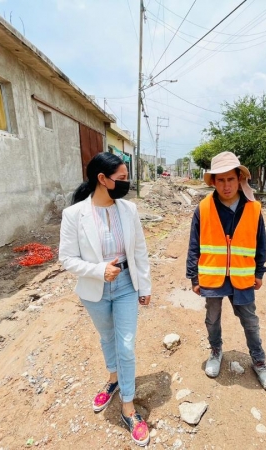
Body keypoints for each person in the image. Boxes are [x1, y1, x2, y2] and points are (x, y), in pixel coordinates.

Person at [59, 153, 151, 447]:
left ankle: (128, 406)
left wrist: (145, 286)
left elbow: (139, 251)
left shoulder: (129, 210)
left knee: (125, 345)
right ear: (102, 179)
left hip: (126, 285)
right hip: (95, 289)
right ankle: (113, 379)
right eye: (121, 179)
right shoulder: (74, 215)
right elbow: (66, 259)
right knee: (107, 337)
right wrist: (99, 270)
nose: (126, 184)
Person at [186, 151, 266, 392]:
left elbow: (261, 243)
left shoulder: (253, 209)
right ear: (213, 182)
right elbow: (194, 244)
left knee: (250, 320)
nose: (226, 186)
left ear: (239, 179)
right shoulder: (203, 209)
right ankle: (216, 351)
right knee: (212, 318)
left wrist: (259, 272)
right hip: (213, 276)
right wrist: (193, 276)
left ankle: (259, 361)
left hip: (243, 276)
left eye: (231, 179)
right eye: (221, 180)